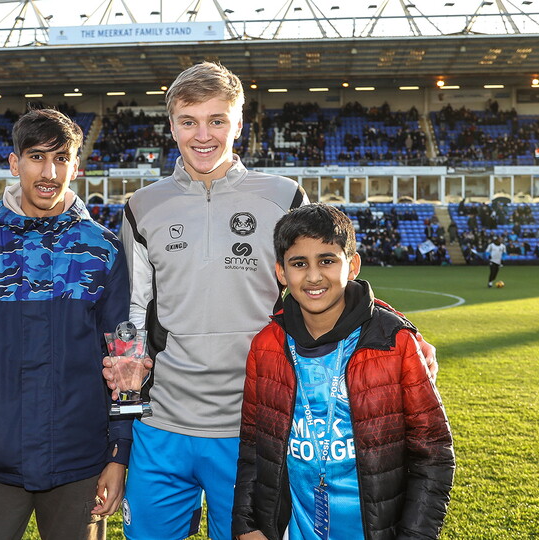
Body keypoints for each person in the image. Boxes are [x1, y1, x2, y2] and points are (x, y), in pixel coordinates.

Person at [113, 62, 437, 540]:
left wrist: (402, 331)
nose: (203, 135)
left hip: (256, 425)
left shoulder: (282, 196)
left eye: (217, 120)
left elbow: (323, 282)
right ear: (172, 126)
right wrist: (125, 406)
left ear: (239, 124)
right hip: (161, 424)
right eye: (189, 121)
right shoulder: (143, 206)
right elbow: (133, 313)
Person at [0, 108, 131, 540]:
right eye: (37, 157)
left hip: (81, 463)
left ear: (76, 167)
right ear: (15, 163)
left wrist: (118, 454)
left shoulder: (104, 250)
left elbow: (124, 362)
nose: (49, 172)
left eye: (61, 158)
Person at [232, 204, 455, 540]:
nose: (313, 276)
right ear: (281, 272)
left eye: (327, 261)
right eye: (299, 264)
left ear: (352, 265)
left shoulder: (394, 343)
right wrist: (247, 525)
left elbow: (433, 454)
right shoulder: (266, 345)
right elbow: (253, 445)